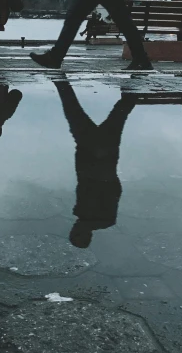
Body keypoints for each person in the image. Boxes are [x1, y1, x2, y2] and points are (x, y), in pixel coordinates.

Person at [54, 80, 135, 249]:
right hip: (97, 156)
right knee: (73, 110)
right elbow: (112, 190)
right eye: (76, 232)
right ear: (86, 235)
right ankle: (60, 80)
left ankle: (137, 82)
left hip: (95, 156)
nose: (74, 228)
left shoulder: (85, 215)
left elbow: (114, 189)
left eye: (72, 231)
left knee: (119, 112)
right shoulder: (103, 219)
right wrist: (102, 168)